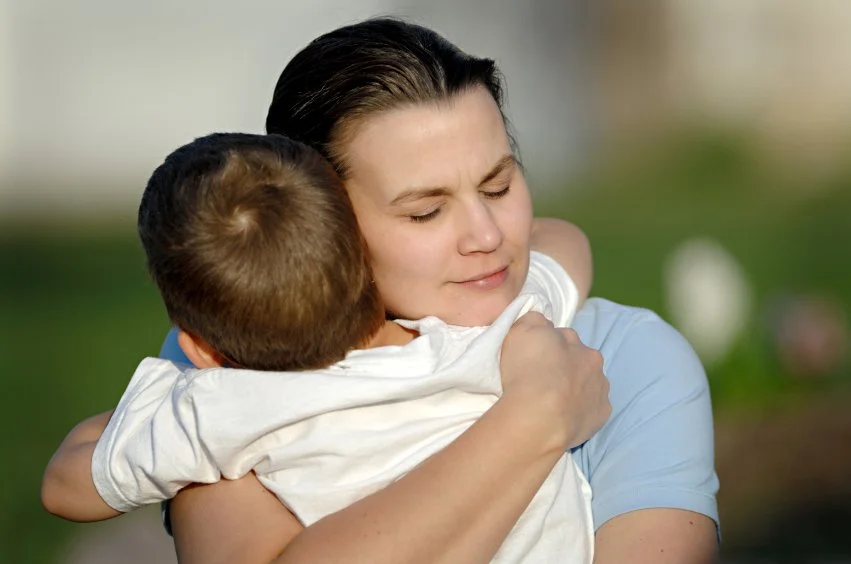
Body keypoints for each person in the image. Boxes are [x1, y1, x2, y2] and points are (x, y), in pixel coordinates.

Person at [159, 18, 718, 564]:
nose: (488, 236)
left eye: (497, 185)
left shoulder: (624, 357)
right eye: (426, 212)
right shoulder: (245, 365)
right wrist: (533, 422)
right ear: (321, 225)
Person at [41, 131, 597, 562]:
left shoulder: (221, 408)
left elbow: (64, 485)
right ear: (367, 257)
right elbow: (567, 244)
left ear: (202, 348)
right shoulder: (488, 337)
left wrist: (178, 386)